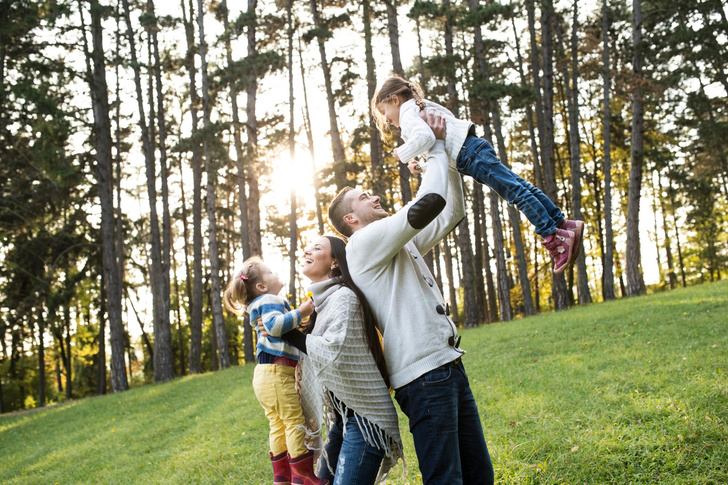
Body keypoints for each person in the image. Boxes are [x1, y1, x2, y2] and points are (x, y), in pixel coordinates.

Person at [327, 110, 494, 485]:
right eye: (363, 197)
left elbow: (450, 211)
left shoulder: (394, 243)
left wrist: (446, 160)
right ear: (350, 219)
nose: (375, 196)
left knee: (480, 475)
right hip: (422, 377)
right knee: (445, 479)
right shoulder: (362, 244)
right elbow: (429, 201)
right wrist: (433, 147)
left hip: (446, 365)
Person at [371, 74, 584, 274]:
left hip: (468, 155)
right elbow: (443, 135)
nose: (387, 121)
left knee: (515, 193)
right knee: (520, 186)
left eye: (385, 112)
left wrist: (404, 152)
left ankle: (554, 237)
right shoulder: (421, 106)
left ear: (395, 99)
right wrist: (424, 166)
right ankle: (563, 224)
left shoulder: (408, 115)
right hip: (474, 147)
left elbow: (426, 138)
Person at [267, 235, 403, 485]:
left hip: (366, 417)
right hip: (343, 418)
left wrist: (290, 334)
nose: (307, 251)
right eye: (308, 247)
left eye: (317, 248)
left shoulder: (344, 297)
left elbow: (334, 351)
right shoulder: (321, 303)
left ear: (334, 263)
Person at [223, 257, 326, 485]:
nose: (275, 271)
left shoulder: (266, 301)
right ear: (261, 287)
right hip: (277, 375)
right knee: (293, 421)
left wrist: (298, 317)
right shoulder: (270, 299)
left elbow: (282, 327)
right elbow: (275, 326)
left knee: (277, 425)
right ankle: (303, 475)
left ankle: (282, 476)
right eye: (270, 271)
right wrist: (303, 310)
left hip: (266, 376)